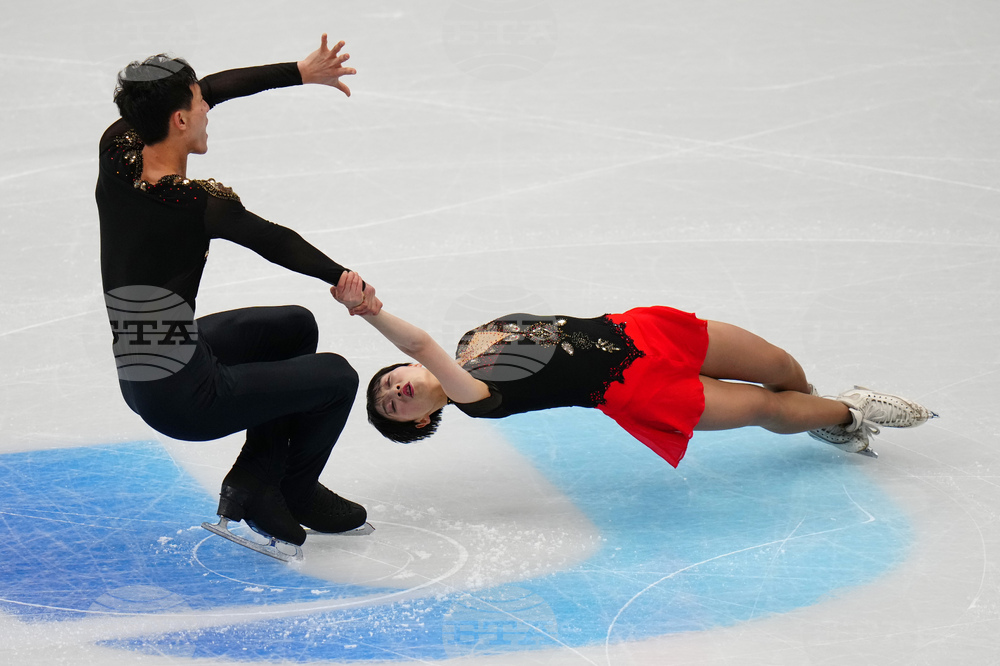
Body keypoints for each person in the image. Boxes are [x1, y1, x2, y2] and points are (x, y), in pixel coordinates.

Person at [97, 35, 381, 555]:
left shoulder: (118, 150)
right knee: (337, 377)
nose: (208, 107)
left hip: (147, 370)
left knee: (294, 325)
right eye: (198, 103)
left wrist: (299, 70)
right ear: (180, 119)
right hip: (184, 398)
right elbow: (276, 240)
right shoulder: (195, 205)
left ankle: (254, 481)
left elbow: (215, 87)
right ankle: (293, 492)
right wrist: (346, 281)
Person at [330, 272, 935, 464]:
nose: (395, 392)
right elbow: (430, 346)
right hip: (635, 390)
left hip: (639, 331)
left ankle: (814, 406)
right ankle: (846, 414)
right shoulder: (474, 398)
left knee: (776, 364)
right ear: (419, 423)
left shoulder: (474, 338)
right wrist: (371, 311)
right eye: (393, 407)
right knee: (765, 407)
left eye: (388, 382)